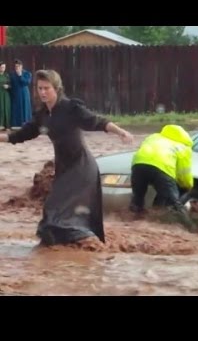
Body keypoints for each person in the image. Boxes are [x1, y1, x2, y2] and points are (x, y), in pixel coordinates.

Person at [0, 69, 133, 246]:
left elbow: (97, 121)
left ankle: (80, 243)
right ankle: (65, 246)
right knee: (57, 210)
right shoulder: (43, 115)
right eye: (40, 88)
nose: (43, 92)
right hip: (64, 167)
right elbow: (22, 134)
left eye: (47, 88)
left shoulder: (71, 108)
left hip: (82, 167)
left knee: (55, 207)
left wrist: (120, 132)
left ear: (57, 88)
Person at [130, 124, 194, 217]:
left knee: (137, 199)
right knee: (174, 204)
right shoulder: (183, 147)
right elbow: (184, 172)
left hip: (138, 165)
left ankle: (132, 221)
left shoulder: (153, 137)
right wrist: (188, 186)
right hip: (162, 168)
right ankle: (190, 227)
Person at [10, 59, 32, 128]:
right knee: (16, 108)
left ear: (21, 66)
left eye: (18, 66)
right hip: (15, 94)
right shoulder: (12, 74)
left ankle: (26, 124)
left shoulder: (27, 73)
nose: (17, 68)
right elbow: (11, 84)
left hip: (24, 94)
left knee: (25, 107)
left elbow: (26, 82)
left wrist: (20, 76)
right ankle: (16, 124)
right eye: (16, 66)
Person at [0, 61, 11, 131]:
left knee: (6, 109)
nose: (2, 68)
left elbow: (10, 84)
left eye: (4, 67)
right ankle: (0, 124)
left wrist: (8, 86)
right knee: (1, 108)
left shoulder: (7, 75)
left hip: (6, 94)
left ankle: (7, 125)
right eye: (1, 67)